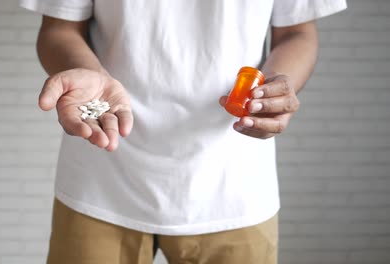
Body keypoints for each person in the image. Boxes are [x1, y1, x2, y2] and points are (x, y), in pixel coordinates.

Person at [20, 1, 347, 263]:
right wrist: (91, 76)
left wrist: (274, 89)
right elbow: (60, 28)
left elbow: (297, 32)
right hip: (102, 177)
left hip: (234, 186)